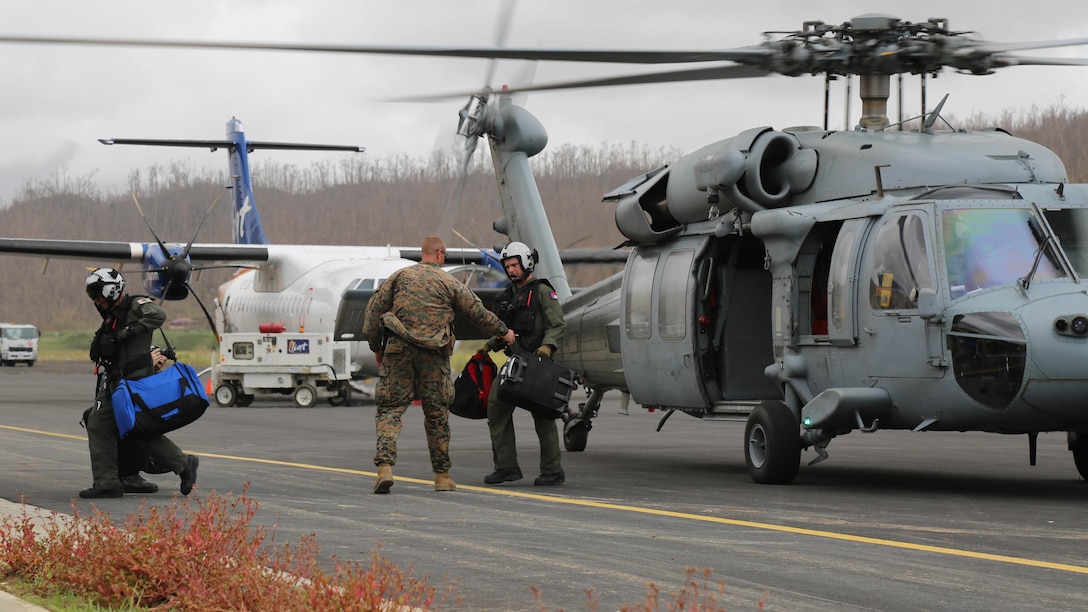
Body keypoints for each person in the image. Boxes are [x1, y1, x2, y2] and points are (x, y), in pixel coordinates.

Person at [362, 236, 515, 495]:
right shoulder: (448, 282)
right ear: (441, 254)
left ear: (423, 253)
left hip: (399, 351)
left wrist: (377, 347)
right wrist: (503, 331)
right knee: (437, 415)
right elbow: (477, 312)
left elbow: (372, 314)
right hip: (434, 354)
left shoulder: (399, 277)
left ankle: (385, 468)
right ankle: (442, 476)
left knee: (390, 410)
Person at [80, 268, 199, 499]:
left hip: (134, 382)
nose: (97, 301)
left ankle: (184, 463)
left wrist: (128, 332)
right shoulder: (112, 316)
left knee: (137, 430)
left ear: (111, 291)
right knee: (98, 423)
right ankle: (107, 482)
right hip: (115, 382)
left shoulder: (136, 305)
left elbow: (157, 315)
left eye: (98, 296)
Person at [479, 241, 568, 486]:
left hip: (539, 364)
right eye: (507, 266)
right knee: (496, 405)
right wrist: (488, 346)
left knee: (543, 416)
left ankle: (552, 471)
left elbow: (557, 324)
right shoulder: (509, 296)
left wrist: (548, 346)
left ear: (527, 263)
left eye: (515, 265)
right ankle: (506, 466)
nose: (511, 270)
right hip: (515, 363)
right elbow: (507, 330)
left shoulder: (541, 291)